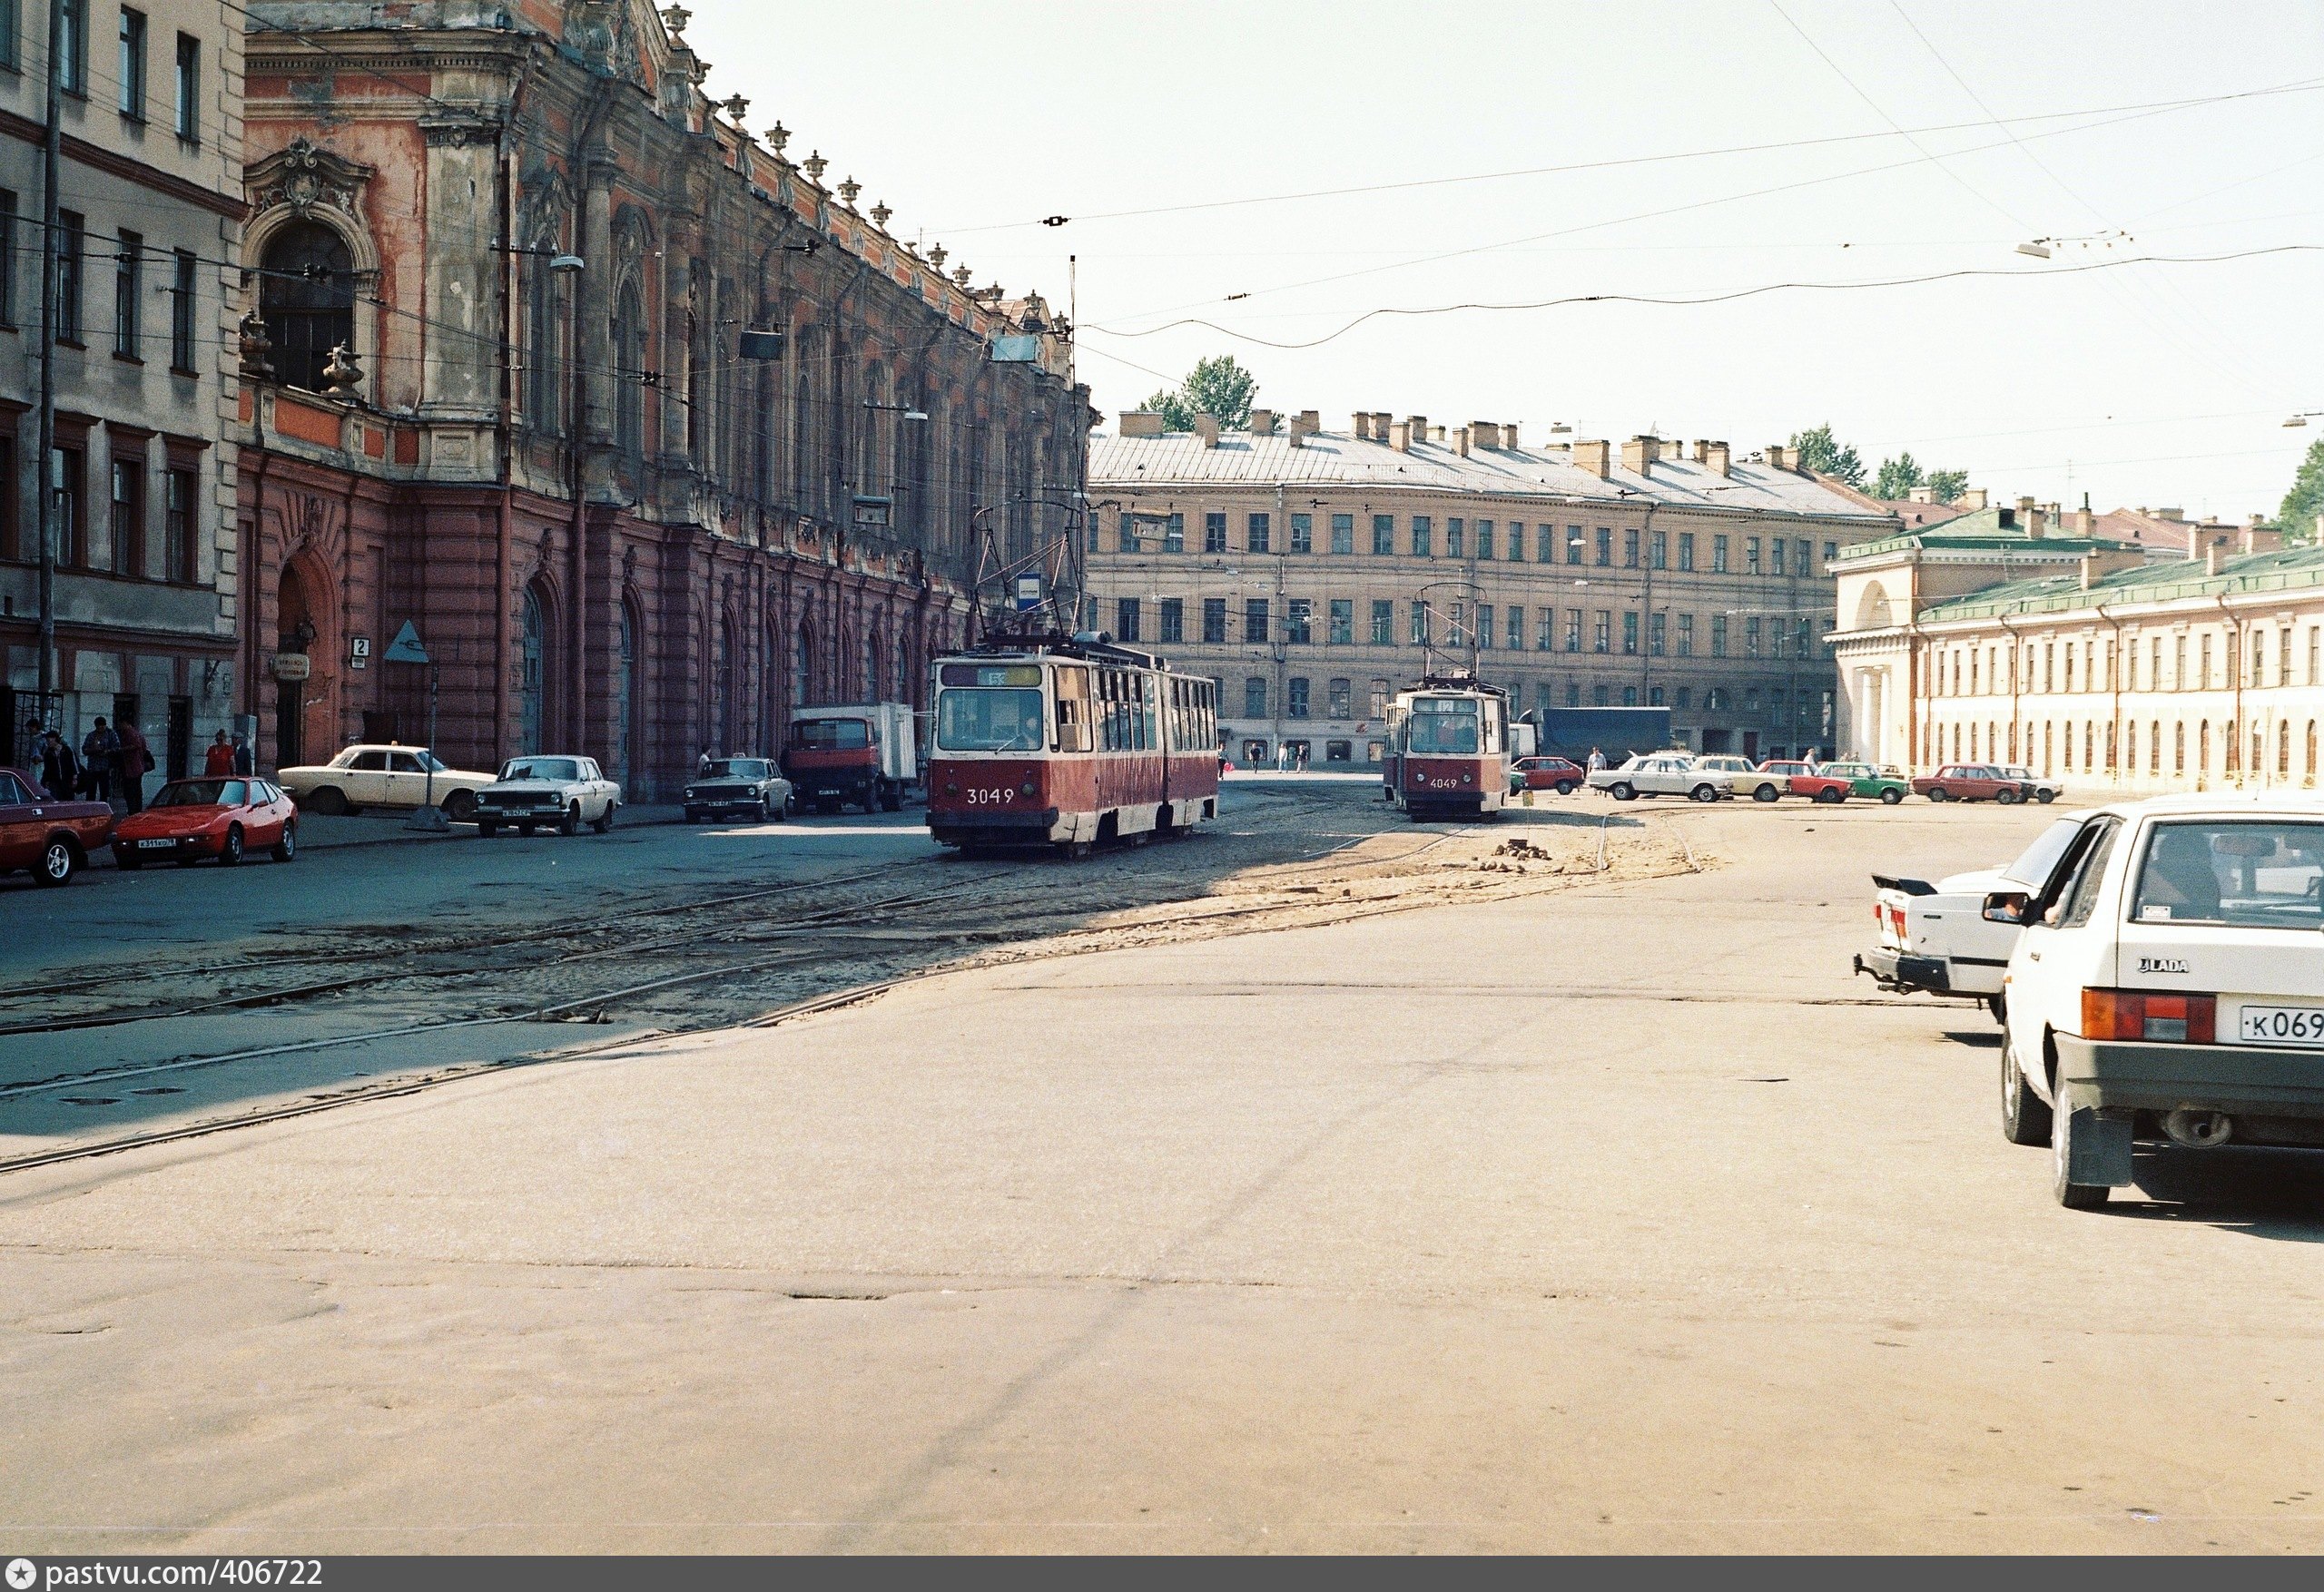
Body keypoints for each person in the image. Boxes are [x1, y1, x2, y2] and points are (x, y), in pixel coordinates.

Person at [113, 717, 153, 813]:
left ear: (125, 723)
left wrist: (121, 749)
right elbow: (143, 748)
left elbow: (136, 745)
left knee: (130, 790)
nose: (119, 726)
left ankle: (133, 810)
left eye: (121, 724)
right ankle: (136, 809)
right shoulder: (138, 733)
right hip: (138, 766)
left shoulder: (130, 733)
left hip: (131, 767)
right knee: (136, 789)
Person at [80, 717, 116, 801]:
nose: (101, 729)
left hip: (105, 767)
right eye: (98, 727)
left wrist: (107, 751)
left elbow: (117, 747)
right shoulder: (91, 735)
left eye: (102, 727)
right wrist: (93, 750)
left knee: (104, 792)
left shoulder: (111, 734)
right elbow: (84, 749)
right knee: (90, 792)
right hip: (93, 767)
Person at [39, 730, 81, 801]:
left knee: (68, 799)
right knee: (56, 799)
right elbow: (47, 768)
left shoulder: (67, 749)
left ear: (54, 738)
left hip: (67, 780)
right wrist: (46, 780)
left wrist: (75, 778)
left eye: (49, 739)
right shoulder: (48, 752)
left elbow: (74, 764)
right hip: (54, 781)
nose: (47, 742)